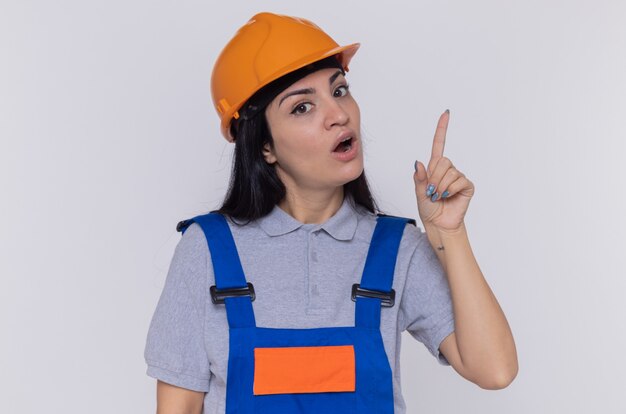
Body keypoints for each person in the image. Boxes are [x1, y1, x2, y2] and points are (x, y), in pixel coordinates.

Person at [144, 11, 518, 414]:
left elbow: (494, 370)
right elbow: (178, 407)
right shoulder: (207, 250)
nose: (338, 114)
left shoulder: (395, 249)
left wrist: (451, 233)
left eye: (339, 90)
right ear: (264, 147)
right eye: (302, 107)